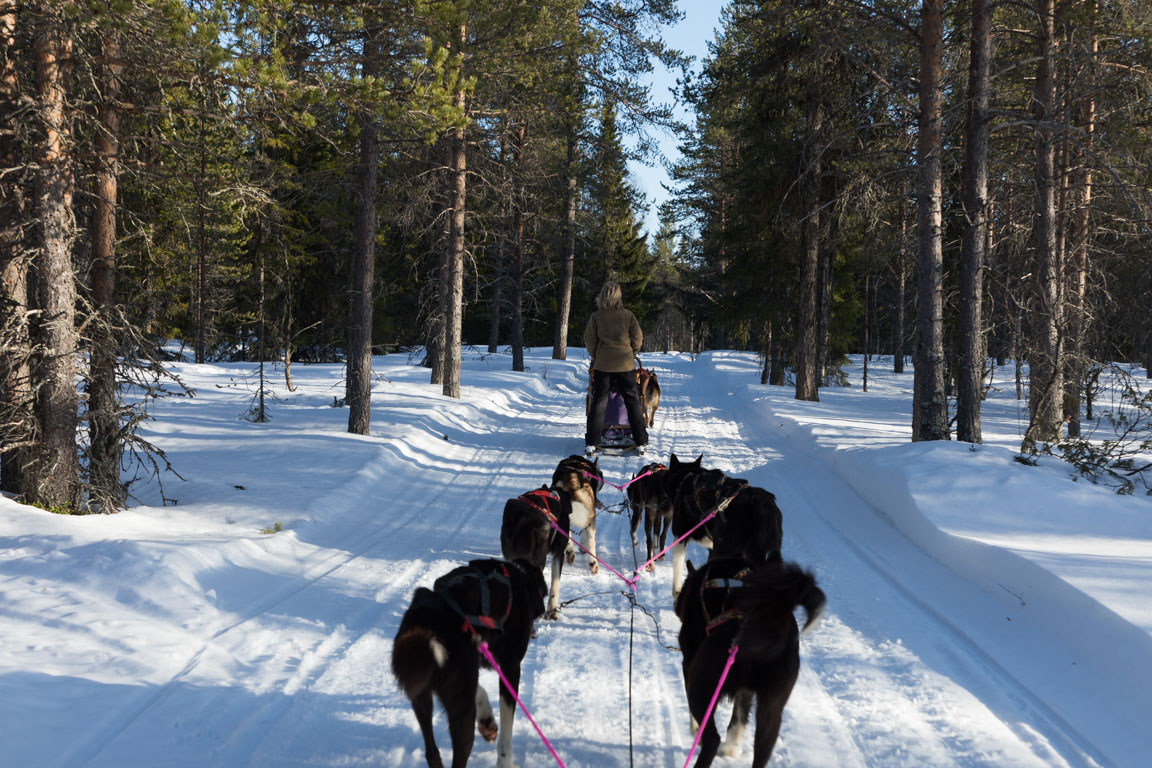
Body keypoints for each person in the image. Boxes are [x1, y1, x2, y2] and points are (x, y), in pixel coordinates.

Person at [584, 281, 649, 455]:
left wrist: (596, 356)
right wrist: (631, 352)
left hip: (603, 365)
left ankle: (591, 442)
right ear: (619, 296)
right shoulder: (628, 315)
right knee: (633, 401)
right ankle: (641, 440)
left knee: (599, 402)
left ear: (603, 296)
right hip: (626, 364)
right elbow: (638, 338)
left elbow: (590, 341)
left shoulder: (596, 317)